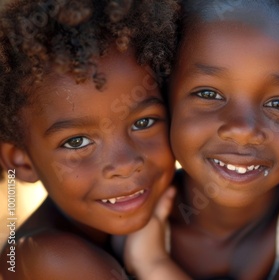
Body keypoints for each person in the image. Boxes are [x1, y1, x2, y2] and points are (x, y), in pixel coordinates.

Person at [125, 0, 279, 279]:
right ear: (165, 96)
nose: (243, 129)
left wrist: (152, 265)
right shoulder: (129, 206)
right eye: (209, 94)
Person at [0, 0, 178, 278]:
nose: (124, 164)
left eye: (143, 123)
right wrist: (152, 264)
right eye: (76, 142)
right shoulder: (49, 258)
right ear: (20, 161)